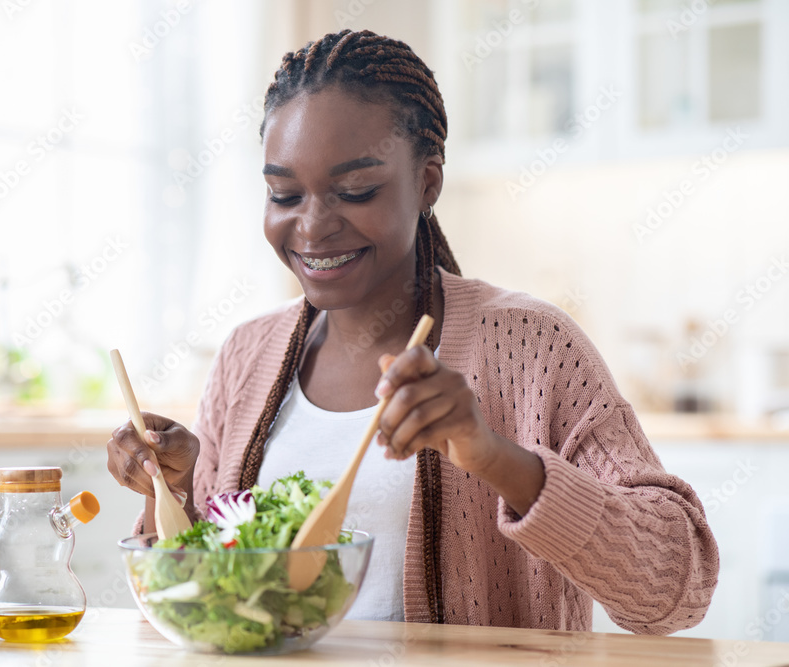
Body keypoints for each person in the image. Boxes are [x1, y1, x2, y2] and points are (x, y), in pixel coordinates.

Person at [107, 28, 719, 633]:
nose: (313, 227)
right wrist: (178, 492)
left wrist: (496, 457)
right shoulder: (247, 354)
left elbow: (676, 591)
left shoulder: (534, 346)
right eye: (284, 194)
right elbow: (214, 600)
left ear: (427, 182)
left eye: (355, 191)